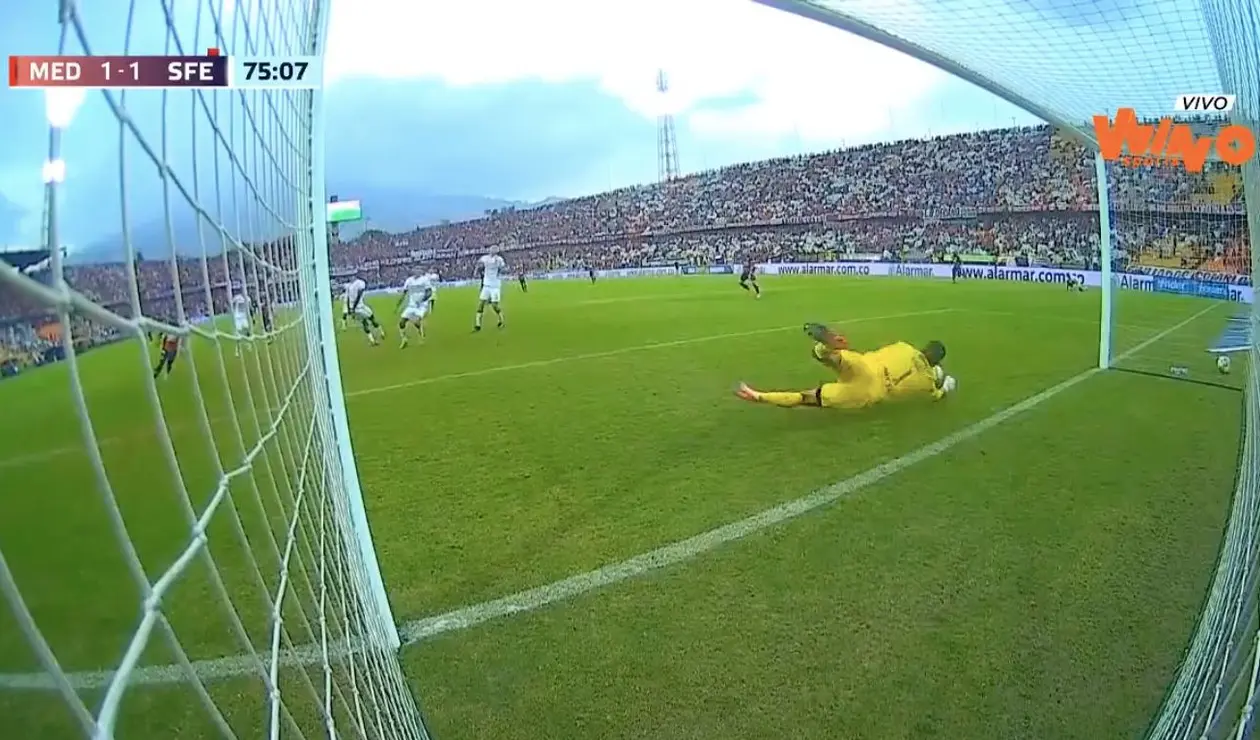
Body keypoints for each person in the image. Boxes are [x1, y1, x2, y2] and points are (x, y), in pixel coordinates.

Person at [735, 323, 957, 411]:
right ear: (937, 363)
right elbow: (935, 394)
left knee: (834, 357)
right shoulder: (928, 382)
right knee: (806, 398)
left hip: (864, 364)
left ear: (924, 347)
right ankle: (758, 396)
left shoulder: (904, 346)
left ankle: (826, 350)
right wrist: (945, 386)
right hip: (868, 390)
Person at [397, 272, 434, 347]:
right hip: (411, 305)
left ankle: (421, 336)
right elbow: (404, 292)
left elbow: (429, 292)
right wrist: (399, 303)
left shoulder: (425, 279)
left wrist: (423, 299)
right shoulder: (409, 280)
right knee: (401, 322)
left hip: (421, 305)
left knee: (416, 321)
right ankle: (404, 339)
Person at [474, 249, 506, 331]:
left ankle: (501, 319)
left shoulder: (499, 259)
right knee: (481, 304)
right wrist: (476, 270)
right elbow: (478, 262)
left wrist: (499, 269)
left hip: (495, 286)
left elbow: (503, 268)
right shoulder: (485, 258)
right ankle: (478, 324)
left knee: (494, 305)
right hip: (486, 286)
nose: (492, 251)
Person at [344, 276, 383, 345]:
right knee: (371, 318)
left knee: (364, 322)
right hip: (359, 307)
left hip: (355, 309)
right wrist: (353, 308)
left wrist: (349, 310)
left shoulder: (349, 287)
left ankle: (372, 340)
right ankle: (381, 332)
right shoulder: (361, 283)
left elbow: (347, 299)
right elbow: (359, 296)